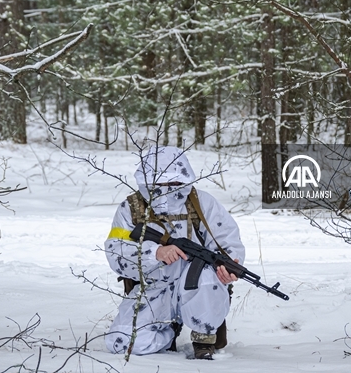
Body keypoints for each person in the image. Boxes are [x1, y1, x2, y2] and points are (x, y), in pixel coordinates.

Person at [104, 146, 245, 359]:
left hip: (198, 285)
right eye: (161, 183)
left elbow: (227, 238)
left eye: (176, 183)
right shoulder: (131, 209)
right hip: (153, 287)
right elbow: (116, 252)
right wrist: (155, 253)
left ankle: (204, 337)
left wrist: (229, 265)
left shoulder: (201, 202)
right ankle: (168, 333)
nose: (169, 189)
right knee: (123, 343)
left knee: (207, 278)